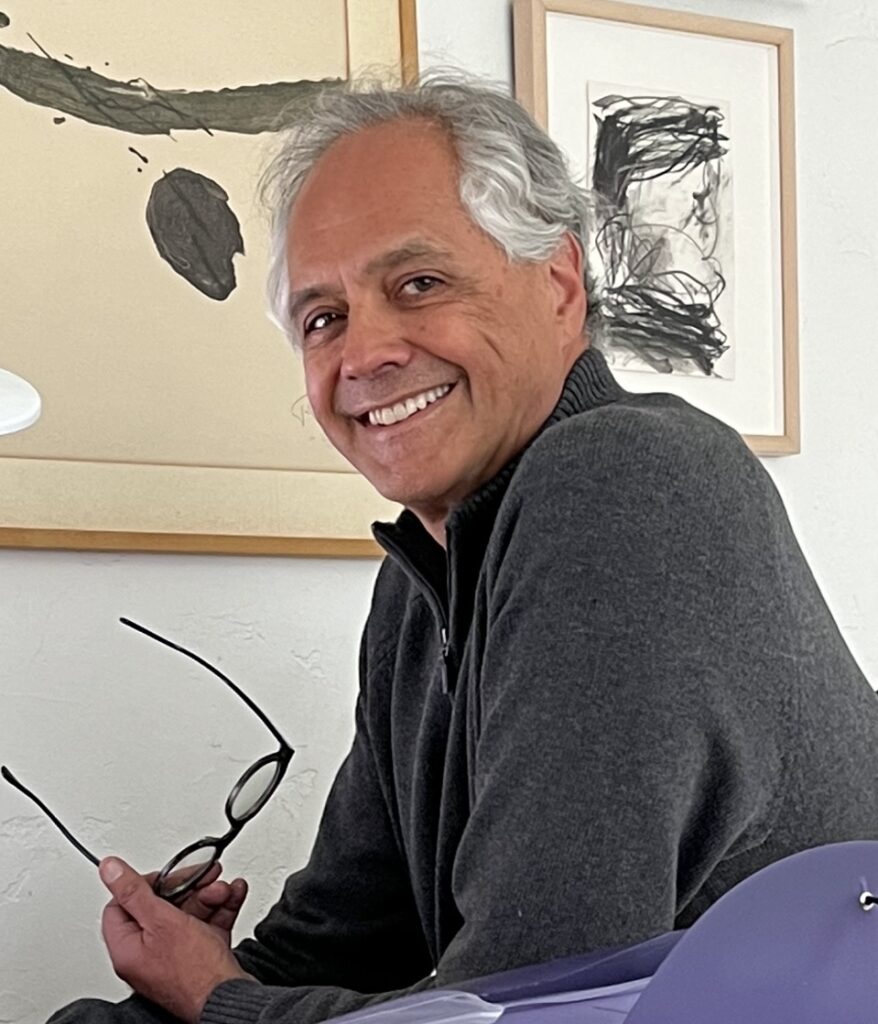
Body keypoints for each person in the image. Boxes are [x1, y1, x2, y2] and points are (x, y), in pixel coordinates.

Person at [52, 74, 878, 1024]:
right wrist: (193, 975)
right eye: (324, 318)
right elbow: (338, 937)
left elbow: (520, 1005)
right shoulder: (423, 581)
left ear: (561, 283)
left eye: (419, 284)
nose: (362, 355)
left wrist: (217, 998)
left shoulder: (627, 481)